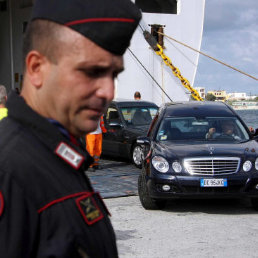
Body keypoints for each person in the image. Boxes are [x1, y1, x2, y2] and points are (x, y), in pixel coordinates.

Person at [0, 0, 141, 257]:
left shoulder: (57, 154)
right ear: (36, 68)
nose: (108, 92)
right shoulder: (11, 171)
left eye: (113, 74)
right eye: (91, 72)